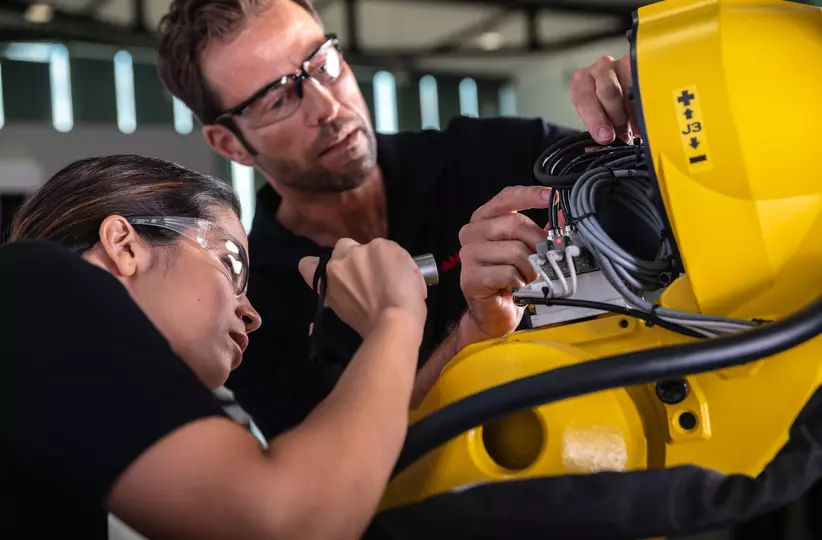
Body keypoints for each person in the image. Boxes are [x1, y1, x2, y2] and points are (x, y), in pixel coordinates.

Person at [155, 0, 640, 441]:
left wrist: (639, 119)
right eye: (278, 99)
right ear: (230, 144)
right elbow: (344, 474)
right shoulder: (250, 312)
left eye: (322, 64)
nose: (328, 106)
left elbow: (652, 198)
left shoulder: (498, 153)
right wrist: (470, 332)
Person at [1, 154, 429, 540]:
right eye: (232, 266)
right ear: (124, 245)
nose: (252, 314)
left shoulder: (68, 415)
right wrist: (396, 313)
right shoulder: (30, 283)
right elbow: (284, 520)